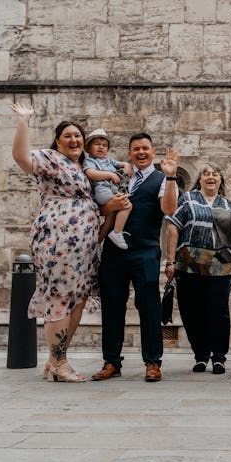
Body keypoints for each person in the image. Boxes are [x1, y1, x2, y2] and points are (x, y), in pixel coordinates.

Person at [10, 102, 99, 383]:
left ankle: (55, 360)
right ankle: (59, 363)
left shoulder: (85, 166)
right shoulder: (51, 159)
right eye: (68, 136)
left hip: (84, 246)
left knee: (78, 297)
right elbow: (22, 157)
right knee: (60, 297)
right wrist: (24, 121)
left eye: (78, 136)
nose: (74, 140)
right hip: (59, 239)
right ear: (58, 142)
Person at [92, 133, 179, 382]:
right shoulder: (118, 176)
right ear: (129, 153)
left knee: (149, 306)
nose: (141, 153)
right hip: (114, 251)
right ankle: (111, 362)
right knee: (112, 305)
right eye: (136, 149)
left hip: (145, 250)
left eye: (145, 149)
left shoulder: (163, 179)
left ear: (153, 152)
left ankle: (153, 362)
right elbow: (101, 207)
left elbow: (169, 209)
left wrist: (171, 176)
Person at [164, 164, 231, 375]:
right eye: (206, 174)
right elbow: (173, 227)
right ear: (199, 179)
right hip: (189, 263)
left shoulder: (227, 205)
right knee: (191, 311)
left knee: (218, 312)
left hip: (220, 265)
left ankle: (218, 357)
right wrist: (170, 261)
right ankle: (201, 355)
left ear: (220, 180)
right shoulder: (188, 199)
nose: (210, 177)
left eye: (215, 174)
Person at [82, 128, 133, 249]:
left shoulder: (108, 160)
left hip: (110, 190)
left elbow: (122, 164)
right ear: (88, 148)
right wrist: (110, 175)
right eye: (97, 144)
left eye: (104, 145)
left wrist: (126, 165)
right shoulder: (89, 160)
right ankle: (117, 232)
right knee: (127, 204)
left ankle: (96, 244)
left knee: (110, 219)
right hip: (102, 191)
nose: (101, 147)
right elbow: (91, 173)